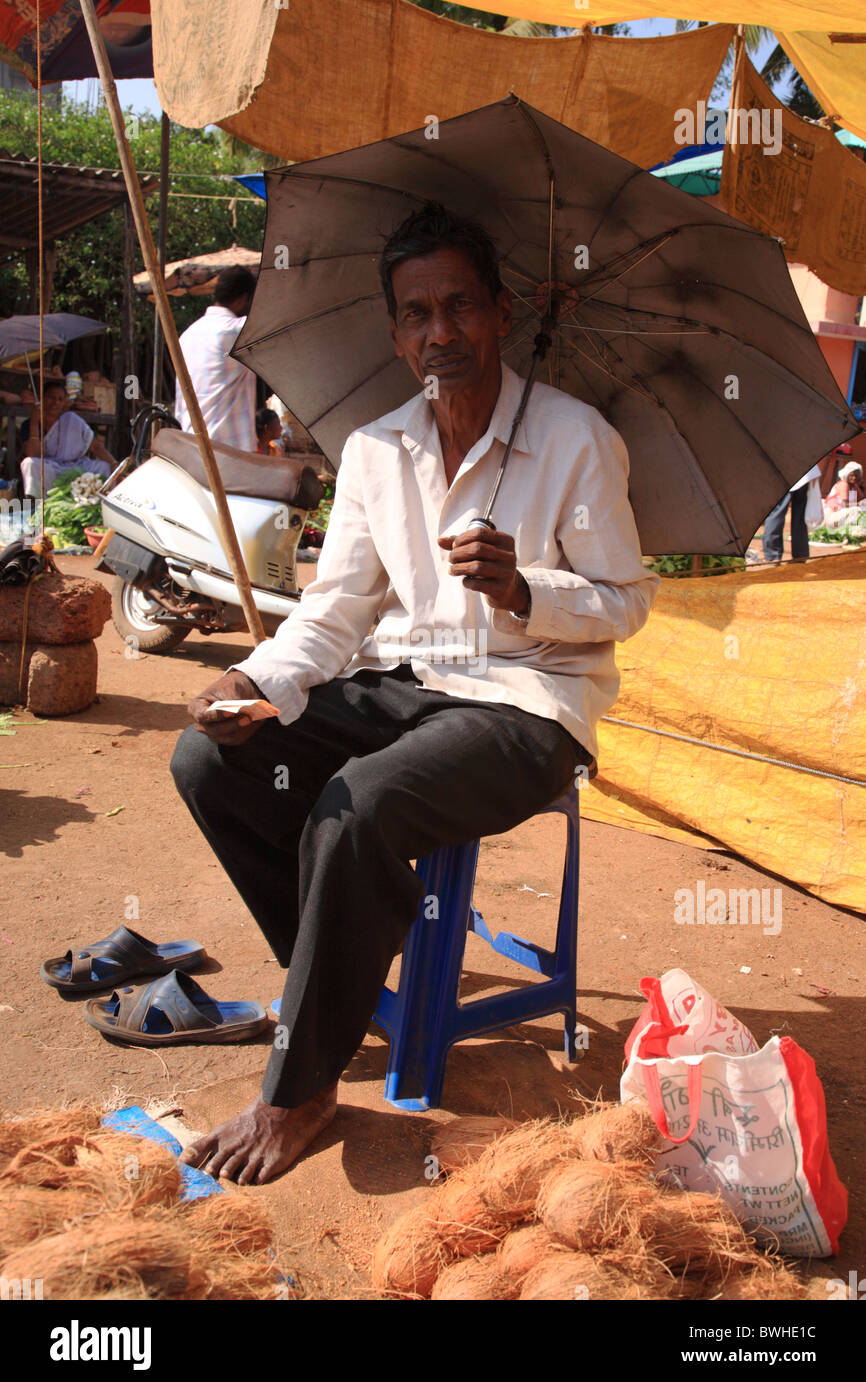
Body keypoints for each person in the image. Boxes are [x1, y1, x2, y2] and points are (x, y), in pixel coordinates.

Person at [170, 203, 659, 1185]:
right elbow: (336, 611)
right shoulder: (373, 450)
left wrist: (527, 588)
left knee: (366, 805)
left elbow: (626, 604)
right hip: (407, 681)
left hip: (528, 704)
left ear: (499, 311)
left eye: (459, 306)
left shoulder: (573, 439)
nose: (441, 332)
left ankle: (298, 1087)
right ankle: (334, 986)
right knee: (211, 757)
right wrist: (255, 678)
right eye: (417, 313)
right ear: (396, 334)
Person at [174, 266, 257, 453]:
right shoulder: (237, 331)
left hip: (191, 448)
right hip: (228, 456)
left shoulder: (187, 336)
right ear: (243, 299)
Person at [19, 381, 116, 498]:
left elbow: (95, 446)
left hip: (76, 466)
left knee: (103, 466)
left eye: (60, 399)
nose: (56, 402)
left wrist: (114, 464)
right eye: (51, 397)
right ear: (41, 398)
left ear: (64, 402)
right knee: (29, 463)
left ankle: (98, 502)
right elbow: (33, 455)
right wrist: (34, 422)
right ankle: (41, 503)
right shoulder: (29, 424)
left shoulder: (71, 420)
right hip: (51, 468)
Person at [761, 463, 822, 563]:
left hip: (785, 472)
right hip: (804, 475)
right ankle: (800, 555)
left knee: (777, 512)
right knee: (799, 516)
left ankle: (772, 555)